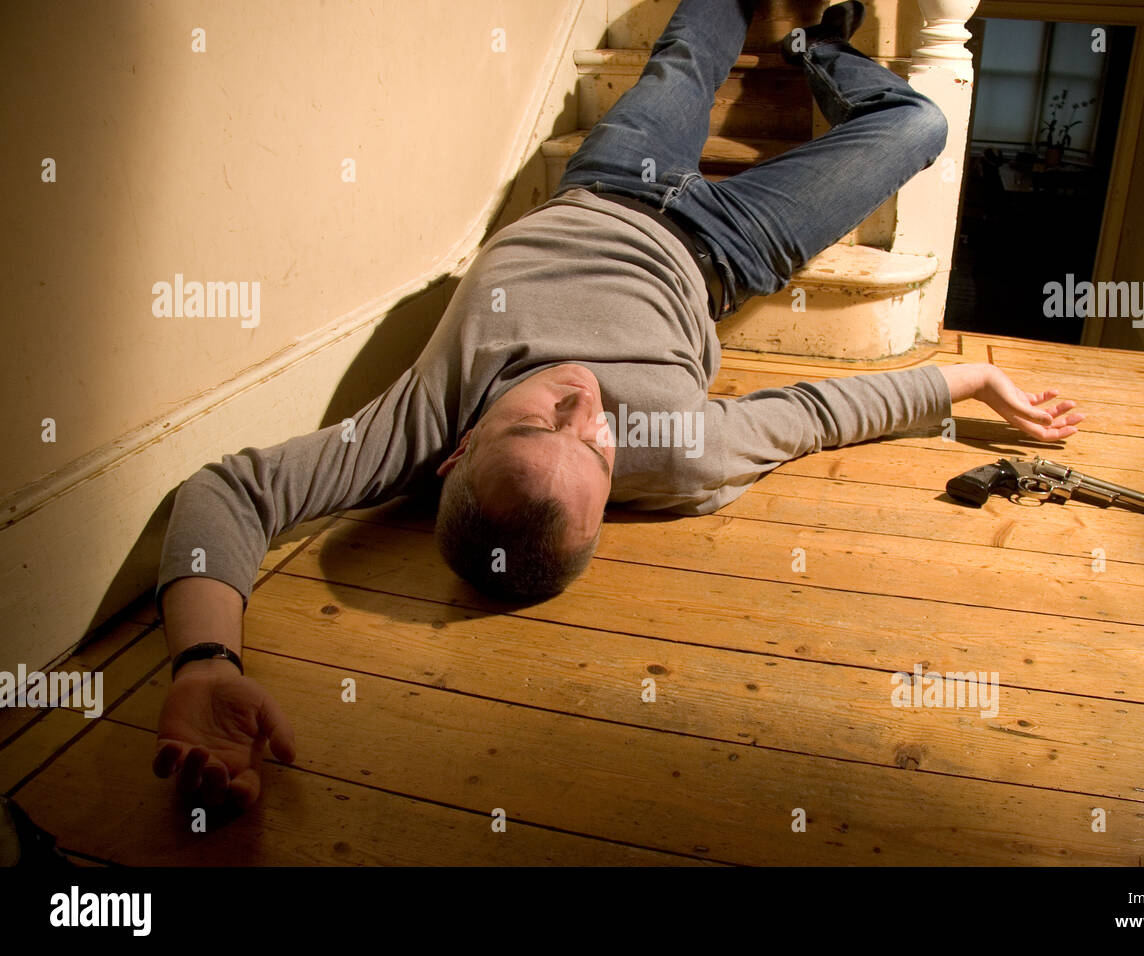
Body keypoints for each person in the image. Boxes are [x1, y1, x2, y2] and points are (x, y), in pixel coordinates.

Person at [152, 0, 1084, 810]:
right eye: (594, 445)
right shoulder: (674, 456)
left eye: (536, 419)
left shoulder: (423, 421)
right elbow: (816, 412)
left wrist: (202, 666)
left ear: (459, 451)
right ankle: (817, 47)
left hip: (606, 181)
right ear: (615, 490)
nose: (582, 401)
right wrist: (968, 380)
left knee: (690, 45)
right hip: (727, 244)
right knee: (918, 124)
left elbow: (229, 497)